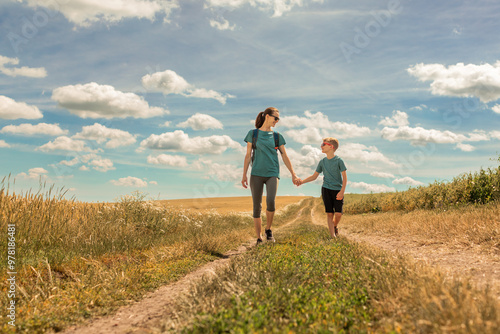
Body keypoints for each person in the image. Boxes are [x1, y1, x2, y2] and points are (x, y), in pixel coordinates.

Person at [241, 107, 301, 245]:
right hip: (256, 174)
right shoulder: (253, 134)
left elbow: (285, 156)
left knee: (271, 201)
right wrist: (244, 174)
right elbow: (248, 155)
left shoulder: (277, 137)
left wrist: (293, 174)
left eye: (278, 119)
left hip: (272, 173)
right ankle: (258, 238)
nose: (277, 121)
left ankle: (268, 229)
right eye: (276, 118)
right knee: (257, 206)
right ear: (267, 116)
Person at [298, 137, 347, 238]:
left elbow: (345, 178)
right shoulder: (322, 162)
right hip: (326, 189)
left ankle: (335, 225)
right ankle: (333, 236)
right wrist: (302, 181)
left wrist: (342, 191)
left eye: (323, 144)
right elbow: (314, 176)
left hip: (338, 190)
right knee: (329, 214)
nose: (321, 146)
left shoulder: (339, 161)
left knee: (338, 214)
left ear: (331, 147)